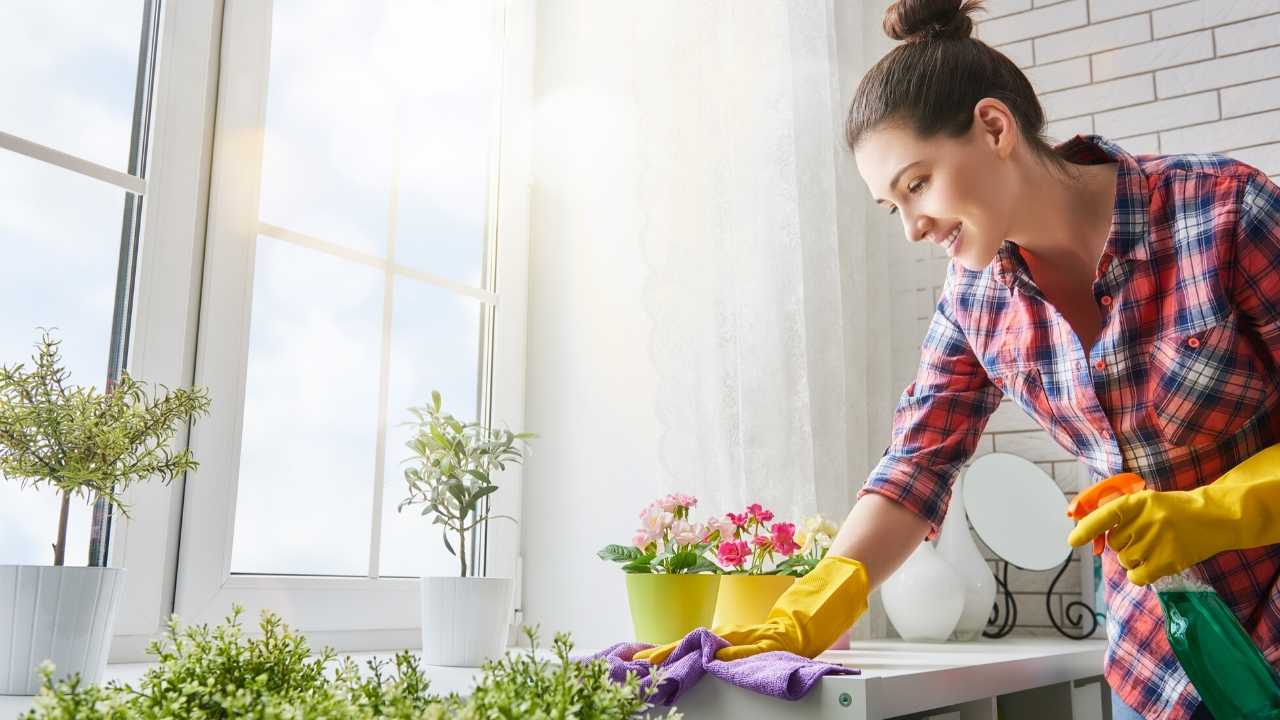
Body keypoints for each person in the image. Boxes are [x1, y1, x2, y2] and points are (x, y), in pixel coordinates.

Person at [634, 1, 1280, 718]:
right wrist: (802, 615)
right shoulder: (974, 299)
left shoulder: (1221, 212)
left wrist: (1214, 511)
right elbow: (917, 464)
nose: (913, 227)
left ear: (994, 127)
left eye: (917, 184)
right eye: (892, 205)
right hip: (1158, 668)